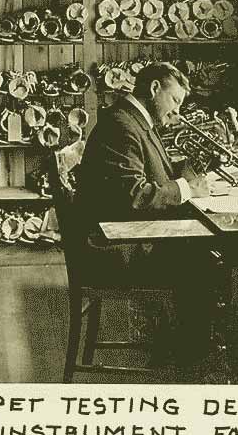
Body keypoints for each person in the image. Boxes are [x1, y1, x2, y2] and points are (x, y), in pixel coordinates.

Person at [74, 62, 221, 373]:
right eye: (175, 100)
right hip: (114, 251)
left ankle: (178, 347)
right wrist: (185, 189)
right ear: (154, 89)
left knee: (203, 252)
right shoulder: (121, 125)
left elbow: (152, 170)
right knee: (208, 260)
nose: (177, 112)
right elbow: (134, 195)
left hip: (121, 235)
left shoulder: (133, 121)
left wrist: (187, 174)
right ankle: (188, 361)